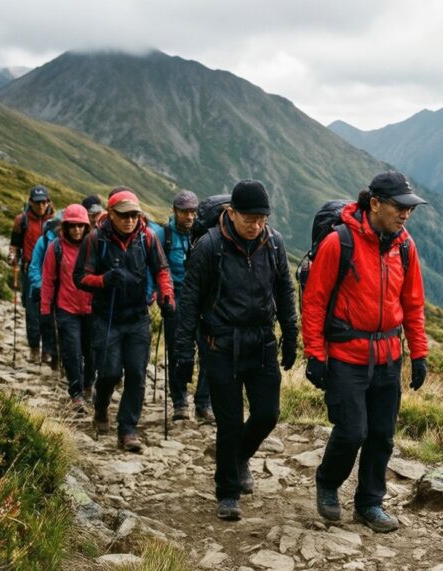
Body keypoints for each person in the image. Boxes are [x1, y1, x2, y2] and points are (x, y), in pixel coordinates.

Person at [302, 171, 428, 533]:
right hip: (346, 355)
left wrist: (419, 354)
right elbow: (315, 301)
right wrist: (315, 355)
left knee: (382, 434)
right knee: (352, 430)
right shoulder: (339, 242)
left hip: (388, 356)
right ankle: (328, 481)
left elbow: (414, 304)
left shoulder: (404, 246)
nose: (406, 215)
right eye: (399, 207)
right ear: (375, 204)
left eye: (410, 209)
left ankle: (370, 503)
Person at [175, 180, 298, 520]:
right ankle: (227, 492)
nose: (256, 224)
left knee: (267, 414)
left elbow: (285, 291)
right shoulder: (209, 247)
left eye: (262, 218)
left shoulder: (273, 244)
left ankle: (240, 456)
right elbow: (189, 302)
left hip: (261, 345)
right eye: (249, 218)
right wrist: (184, 355)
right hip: (221, 346)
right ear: (231, 213)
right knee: (229, 423)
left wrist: (291, 335)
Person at [74, 188, 175, 453]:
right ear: (111, 214)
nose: (130, 220)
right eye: (124, 215)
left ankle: (127, 430)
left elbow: (162, 270)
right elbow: (80, 279)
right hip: (106, 317)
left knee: (137, 374)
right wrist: (104, 280)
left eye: (134, 215)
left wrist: (166, 295)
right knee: (109, 372)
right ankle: (101, 403)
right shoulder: (96, 240)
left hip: (138, 317)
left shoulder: (148, 238)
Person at [154, 190, 213, 422]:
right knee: (178, 351)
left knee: (208, 349)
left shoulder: (202, 235)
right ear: (174, 211)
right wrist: (161, 296)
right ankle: (179, 402)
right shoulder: (162, 236)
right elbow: (156, 268)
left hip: (201, 300)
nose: (189, 216)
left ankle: (203, 402)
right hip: (175, 300)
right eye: (184, 211)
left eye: (192, 211)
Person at [41, 204, 95, 412]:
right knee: (72, 351)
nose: (77, 230)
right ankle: (76, 393)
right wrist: (46, 310)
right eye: (72, 226)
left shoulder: (94, 246)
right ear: (65, 226)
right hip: (67, 309)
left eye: (81, 226)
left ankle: (89, 383)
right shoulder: (56, 248)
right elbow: (48, 281)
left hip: (91, 309)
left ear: (86, 226)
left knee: (91, 352)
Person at [9, 185, 55, 364]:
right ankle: (34, 348)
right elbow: (15, 244)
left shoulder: (56, 220)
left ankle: (48, 350)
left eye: (43, 202)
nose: (41, 206)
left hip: (52, 274)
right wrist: (12, 256)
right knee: (32, 312)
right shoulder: (21, 220)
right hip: (29, 272)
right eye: (37, 202)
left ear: (48, 201)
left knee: (50, 313)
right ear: (30, 202)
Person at [29, 214, 63, 368]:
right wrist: (40, 285)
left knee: (61, 324)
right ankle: (46, 353)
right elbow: (34, 265)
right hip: (45, 288)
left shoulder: (72, 242)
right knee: (45, 322)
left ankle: (56, 358)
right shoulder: (43, 241)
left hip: (64, 291)